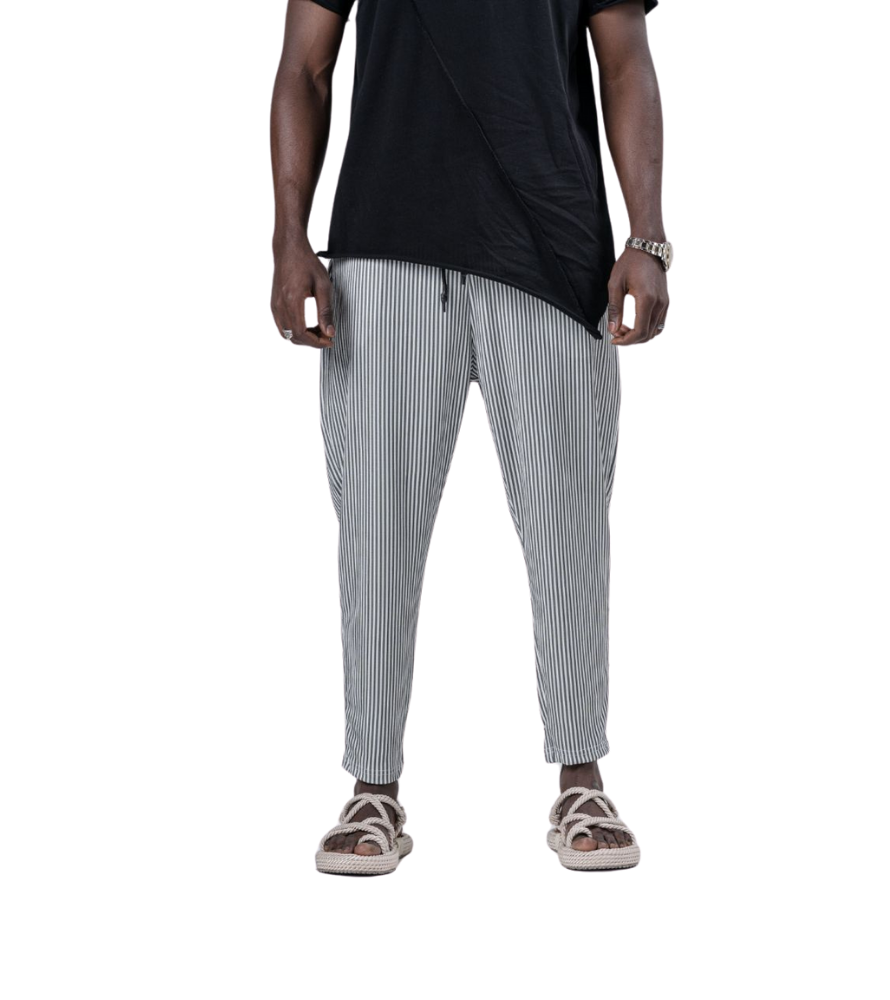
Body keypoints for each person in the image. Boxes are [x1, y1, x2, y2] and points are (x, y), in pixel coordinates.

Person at [270, 0, 672, 874]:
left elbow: (625, 58)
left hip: (556, 248)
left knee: (569, 524)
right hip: (383, 241)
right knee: (375, 528)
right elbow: (304, 65)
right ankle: (371, 786)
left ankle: (582, 779)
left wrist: (647, 235)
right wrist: (287, 239)